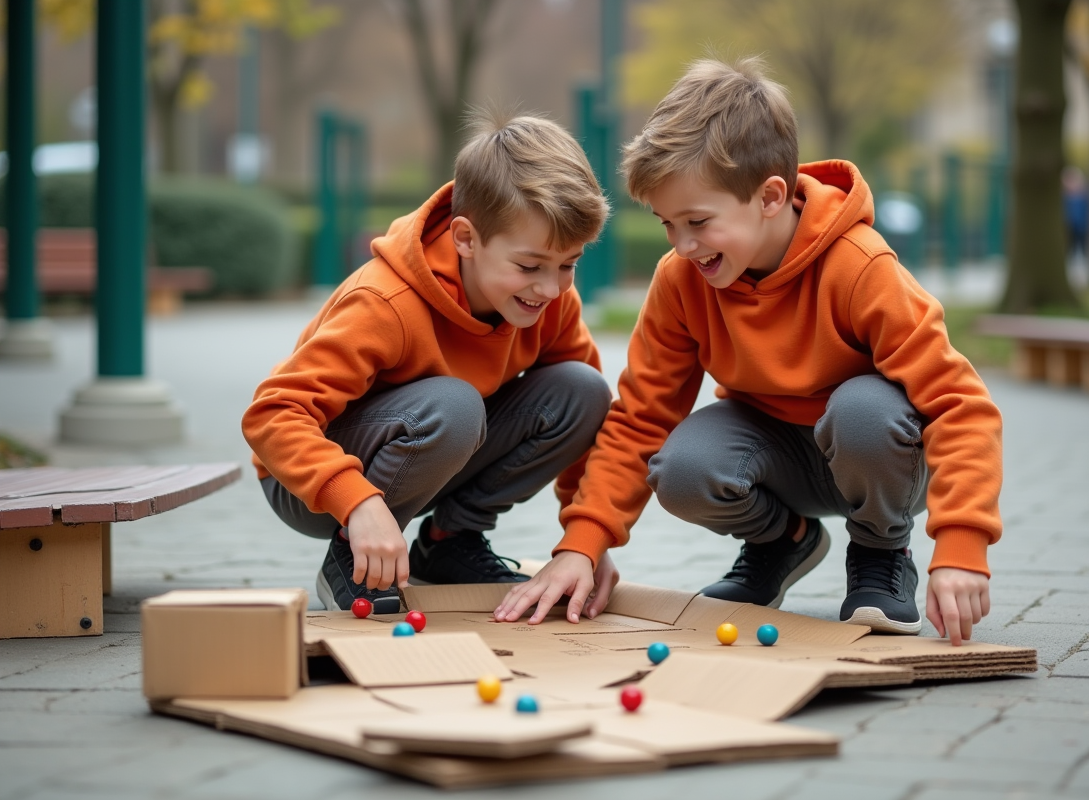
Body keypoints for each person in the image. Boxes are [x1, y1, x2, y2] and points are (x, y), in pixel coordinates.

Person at [495, 58, 1003, 645]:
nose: (683, 245)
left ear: (769, 196)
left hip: (879, 456)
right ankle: (781, 541)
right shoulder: (681, 280)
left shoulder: (860, 268)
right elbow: (641, 418)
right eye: (667, 224)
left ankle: (880, 551)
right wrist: (582, 545)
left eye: (697, 221)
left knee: (864, 408)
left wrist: (962, 546)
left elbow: (960, 405)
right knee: (682, 467)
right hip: (779, 457)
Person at [243, 112, 618, 614]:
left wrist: (587, 540)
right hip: (307, 483)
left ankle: (447, 543)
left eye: (568, 264)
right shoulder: (385, 302)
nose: (550, 288)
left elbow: (588, 425)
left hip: (435, 448)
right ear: (466, 238)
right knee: (454, 405)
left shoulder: (549, 301)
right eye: (529, 265)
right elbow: (272, 414)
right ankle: (352, 556)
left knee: (584, 389)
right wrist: (356, 501)